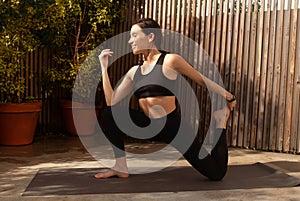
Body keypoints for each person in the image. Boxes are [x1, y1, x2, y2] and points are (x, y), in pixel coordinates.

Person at [94, 18, 237, 181]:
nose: (130, 40)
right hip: (147, 126)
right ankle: (120, 166)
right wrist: (104, 68)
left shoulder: (170, 60)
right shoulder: (134, 72)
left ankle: (220, 121)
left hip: (172, 126)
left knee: (216, 174)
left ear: (150, 37)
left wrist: (228, 95)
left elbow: (201, 79)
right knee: (110, 113)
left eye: (134, 35)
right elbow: (111, 101)